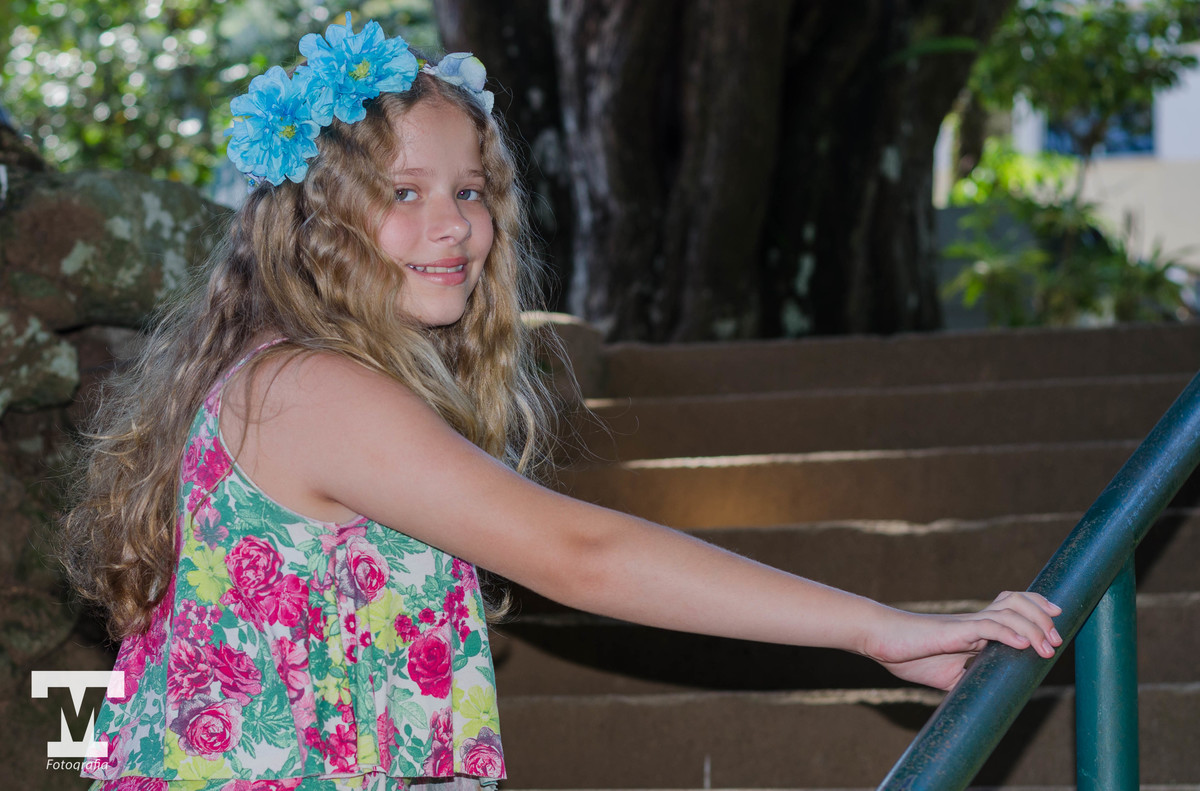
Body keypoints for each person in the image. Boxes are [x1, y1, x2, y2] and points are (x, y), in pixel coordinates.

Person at [59, 15, 1063, 791]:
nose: (454, 225)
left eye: (471, 190)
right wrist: (878, 628)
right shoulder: (311, 391)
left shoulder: (288, 378)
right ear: (315, 220)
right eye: (404, 193)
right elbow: (579, 553)